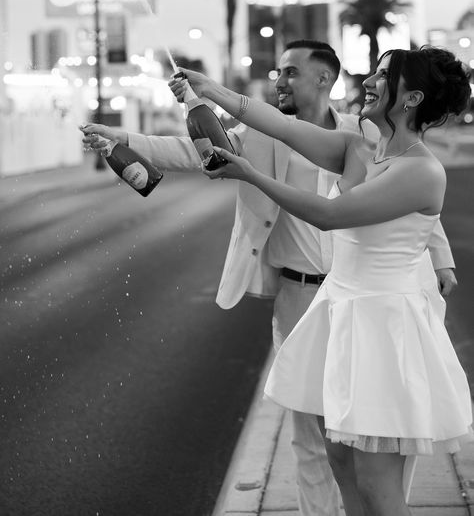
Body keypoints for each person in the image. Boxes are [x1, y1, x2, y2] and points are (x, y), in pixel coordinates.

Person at [82, 41, 457, 516]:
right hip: (337, 310)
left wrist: (250, 175)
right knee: (338, 456)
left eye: (383, 75)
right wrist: (208, 89)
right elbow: (277, 124)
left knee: (379, 478)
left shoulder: (421, 170)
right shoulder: (359, 147)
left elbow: (330, 214)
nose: (369, 81)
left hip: (384, 324)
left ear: (412, 98)